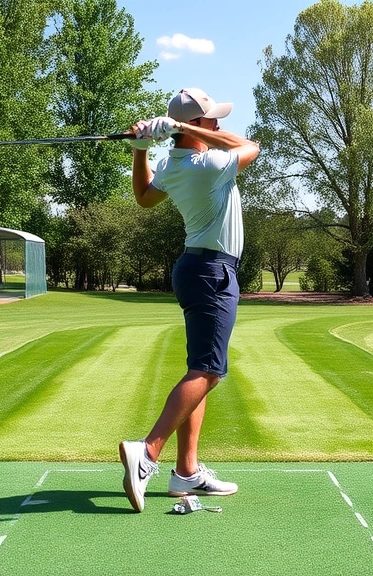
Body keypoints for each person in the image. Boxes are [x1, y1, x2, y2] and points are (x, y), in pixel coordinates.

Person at [118, 88, 260, 512]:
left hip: (196, 270)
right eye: (212, 120)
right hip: (214, 273)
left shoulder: (173, 163)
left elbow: (144, 198)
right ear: (198, 128)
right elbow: (251, 146)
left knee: (200, 369)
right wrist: (180, 129)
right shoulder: (211, 164)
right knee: (208, 372)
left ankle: (186, 472)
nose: (218, 125)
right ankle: (147, 452)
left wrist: (141, 150)